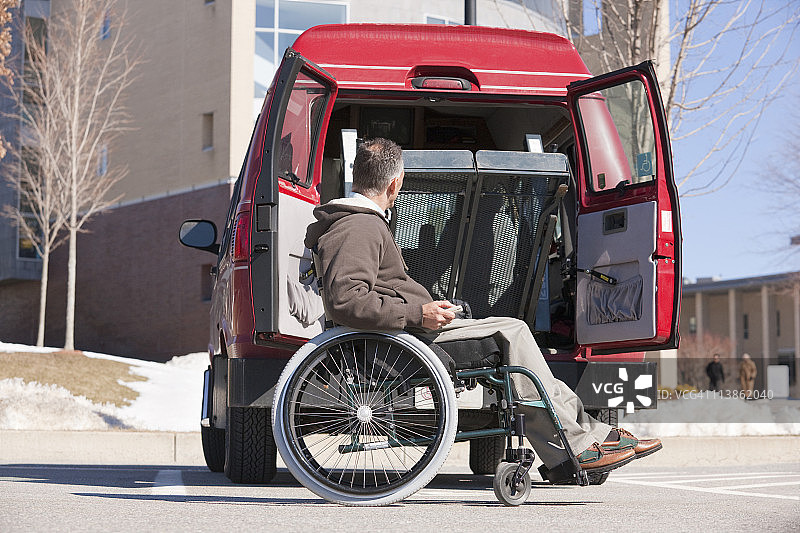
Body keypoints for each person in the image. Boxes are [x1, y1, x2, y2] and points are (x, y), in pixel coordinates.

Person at [304, 138, 661, 476]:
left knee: (513, 332)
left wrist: (427, 308)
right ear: (396, 184)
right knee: (513, 333)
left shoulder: (358, 224)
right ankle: (575, 447)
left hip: (404, 334)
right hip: (397, 344)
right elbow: (347, 301)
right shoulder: (358, 227)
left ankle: (587, 436)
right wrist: (419, 313)